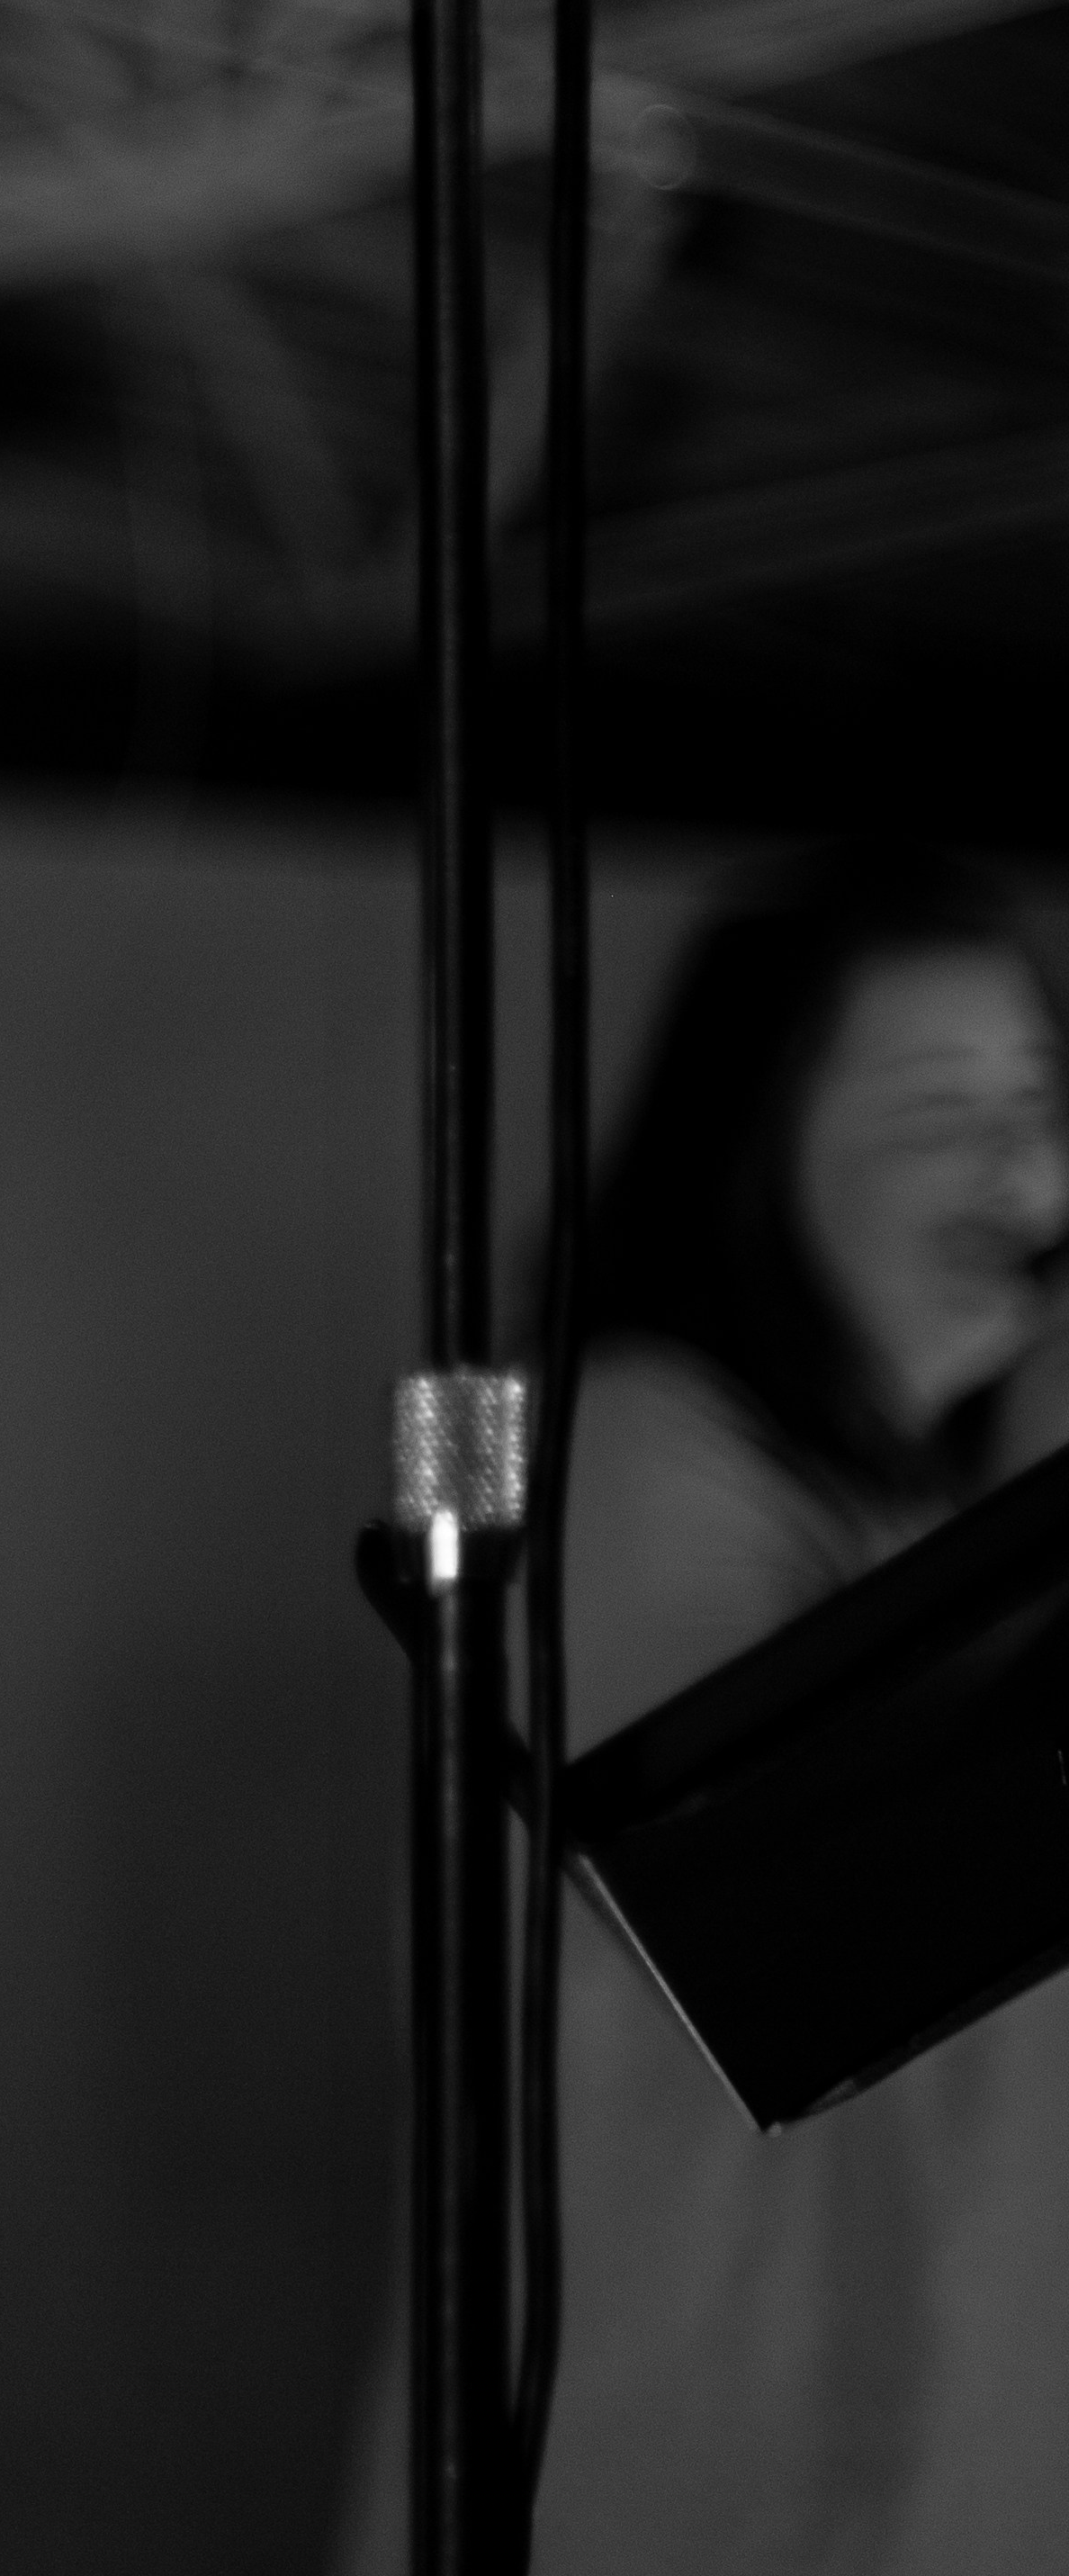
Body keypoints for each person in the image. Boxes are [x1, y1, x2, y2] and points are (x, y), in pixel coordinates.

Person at [341, 847, 1068, 2574]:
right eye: (934, 1108)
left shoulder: (919, 1503)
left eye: (1038, 1103)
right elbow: (824, 1903)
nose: (1023, 1168)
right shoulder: (632, 1458)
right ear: (761, 1144)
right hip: (708, 2479)